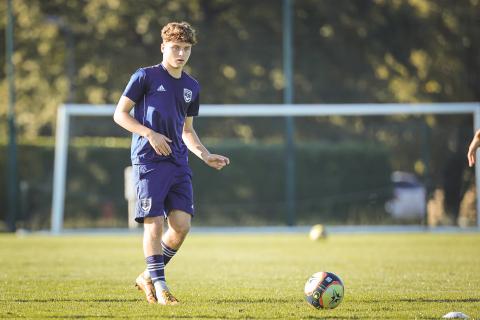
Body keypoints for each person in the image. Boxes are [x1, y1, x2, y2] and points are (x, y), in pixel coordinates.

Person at [113, 21, 230, 305]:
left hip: (178, 162)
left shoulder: (192, 87)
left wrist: (204, 154)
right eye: (175, 47)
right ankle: (162, 287)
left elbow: (186, 130)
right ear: (164, 47)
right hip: (148, 160)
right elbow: (120, 114)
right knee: (153, 225)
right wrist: (149, 133)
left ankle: (147, 276)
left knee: (181, 225)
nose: (181, 53)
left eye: (186, 48)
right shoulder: (145, 77)